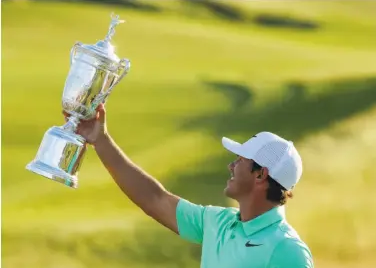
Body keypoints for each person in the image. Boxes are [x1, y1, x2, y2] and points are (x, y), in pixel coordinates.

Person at [64, 104, 314, 267]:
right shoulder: (219, 222)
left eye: (240, 160)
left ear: (260, 176)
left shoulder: (287, 251)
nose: (231, 166)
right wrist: (101, 140)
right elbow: (156, 200)